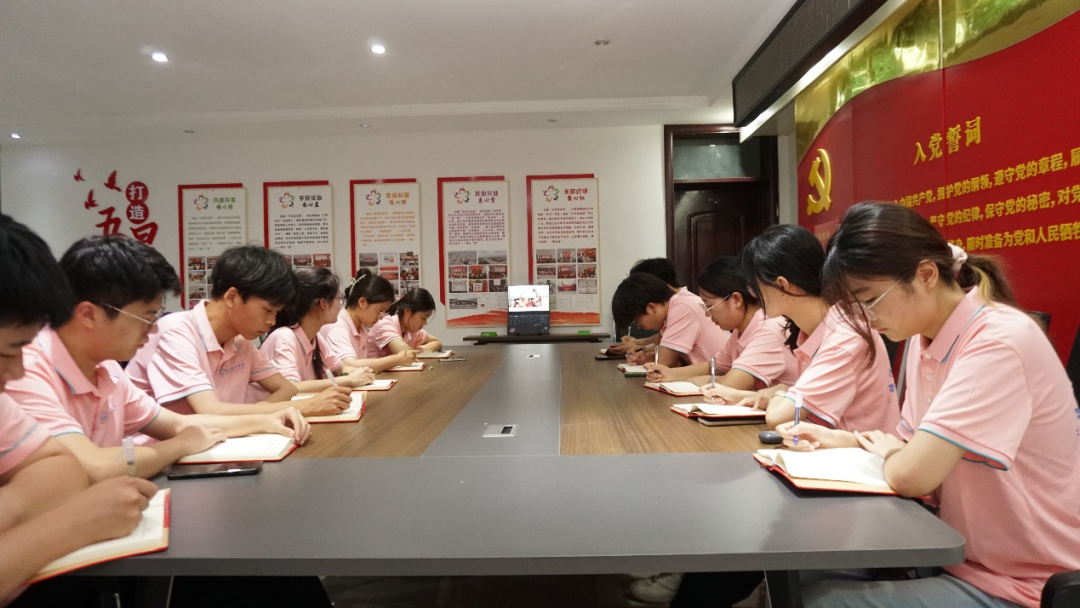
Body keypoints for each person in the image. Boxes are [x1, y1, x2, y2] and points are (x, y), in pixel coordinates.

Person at [779, 202, 1080, 608]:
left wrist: (896, 457)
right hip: (957, 552)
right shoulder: (925, 340)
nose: (866, 318)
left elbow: (911, 475)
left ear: (925, 275)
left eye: (870, 300)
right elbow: (909, 448)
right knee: (799, 572)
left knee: (818, 601)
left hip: (1024, 580)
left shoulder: (998, 342)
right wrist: (847, 440)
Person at [7, 235, 311, 481]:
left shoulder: (107, 368)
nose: (153, 330)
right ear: (88, 314)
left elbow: (177, 423)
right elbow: (93, 466)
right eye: (146, 317)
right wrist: (179, 446)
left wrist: (265, 421)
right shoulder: (27, 369)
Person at [0, 215, 157, 604]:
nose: (16, 371)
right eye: (8, 351)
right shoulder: (36, 365)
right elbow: (90, 471)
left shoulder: (107, 368)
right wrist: (69, 523)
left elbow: (62, 470)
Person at [704, 224, 900, 433]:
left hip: (858, 451)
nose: (753, 294)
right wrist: (755, 396)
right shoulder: (812, 328)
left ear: (782, 285)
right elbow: (799, 400)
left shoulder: (845, 335)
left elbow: (779, 417)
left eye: (755, 286)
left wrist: (779, 391)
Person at [126, 245, 349, 417]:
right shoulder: (176, 332)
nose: (272, 321)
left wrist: (256, 416)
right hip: (161, 457)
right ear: (232, 297)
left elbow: (287, 388)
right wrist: (300, 408)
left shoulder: (241, 342)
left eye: (276, 312)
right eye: (267, 310)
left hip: (219, 446)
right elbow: (210, 411)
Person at [644, 256, 799, 390]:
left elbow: (730, 384)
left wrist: (704, 380)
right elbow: (715, 366)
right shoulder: (740, 330)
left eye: (709, 305)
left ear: (736, 300)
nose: (707, 313)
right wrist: (670, 373)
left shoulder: (768, 330)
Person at [250, 267, 375, 399]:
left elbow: (341, 368)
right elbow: (292, 387)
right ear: (323, 304)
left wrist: (361, 372)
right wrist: (348, 380)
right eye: (339, 298)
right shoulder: (285, 337)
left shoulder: (315, 336)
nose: (341, 305)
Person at [610, 272, 730, 369]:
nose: (640, 327)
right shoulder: (677, 305)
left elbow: (665, 362)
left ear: (651, 308)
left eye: (637, 322)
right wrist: (645, 357)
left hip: (723, 379)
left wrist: (647, 355)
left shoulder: (682, 308)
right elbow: (671, 358)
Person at [318, 269, 418, 372]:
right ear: (362, 302)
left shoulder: (361, 328)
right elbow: (350, 365)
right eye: (380, 310)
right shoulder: (337, 327)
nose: (381, 317)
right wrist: (396, 359)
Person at [366, 288, 442, 357]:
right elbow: (406, 354)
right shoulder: (384, 325)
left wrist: (419, 350)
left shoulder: (411, 330)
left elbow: (437, 342)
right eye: (423, 318)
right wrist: (414, 351)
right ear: (408, 311)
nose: (425, 323)